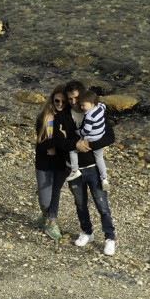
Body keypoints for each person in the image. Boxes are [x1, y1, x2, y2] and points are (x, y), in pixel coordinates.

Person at [54, 80, 117, 256]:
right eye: (70, 99)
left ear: (82, 96)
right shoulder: (63, 115)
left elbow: (110, 137)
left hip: (93, 167)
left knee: (102, 205)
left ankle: (109, 238)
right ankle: (87, 232)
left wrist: (89, 144)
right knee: (80, 204)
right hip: (73, 169)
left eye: (75, 98)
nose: (73, 102)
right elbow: (58, 141)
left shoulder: (95, 112)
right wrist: (76, 144)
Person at [33, 85, 69, 240]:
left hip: (61, 163)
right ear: (52, 100)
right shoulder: (44, 118)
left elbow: (69, 144)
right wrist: (56, 141)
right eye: (57, 101)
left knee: (55, 193)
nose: (60, 104)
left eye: (63, 101)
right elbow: (40, 145)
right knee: (44, 200)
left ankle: (52, 223)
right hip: (44, 163)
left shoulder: (70, 119)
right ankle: (45, 214)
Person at [66, 90, 110, 191]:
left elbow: (86, 131)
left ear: (91, 103)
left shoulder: (89, 116)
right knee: (100, 159)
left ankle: (75, 170)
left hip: (91, 138)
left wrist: (78, 132)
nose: (82, 107)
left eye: (83, 105)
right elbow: (104, 106)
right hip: (100, 135)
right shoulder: (100, 108)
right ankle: (104, 178)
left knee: (73, 151)